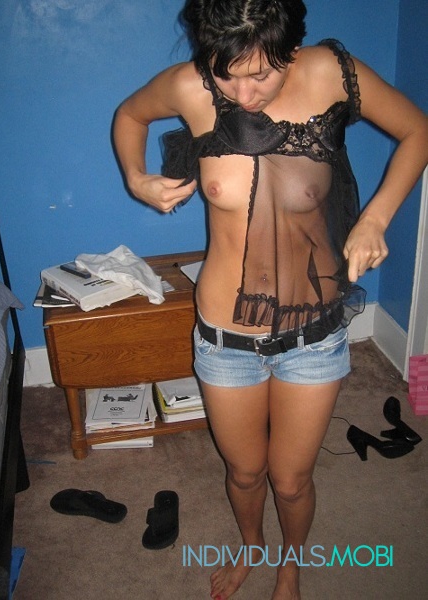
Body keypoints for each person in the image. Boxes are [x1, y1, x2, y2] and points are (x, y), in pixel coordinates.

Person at [113, 1, 428, 598]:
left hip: (314, 337)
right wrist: (137, 177)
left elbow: (419, 129)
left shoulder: (330, 72)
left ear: (291, 49)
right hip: (225, 339)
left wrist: (375, 219)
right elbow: (129, 114)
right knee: (244, 472)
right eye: (227, 74)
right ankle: (251, 545)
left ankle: (289, 566)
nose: (243, 93)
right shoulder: (190, 86)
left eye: (260, 75)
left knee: (290, 480)